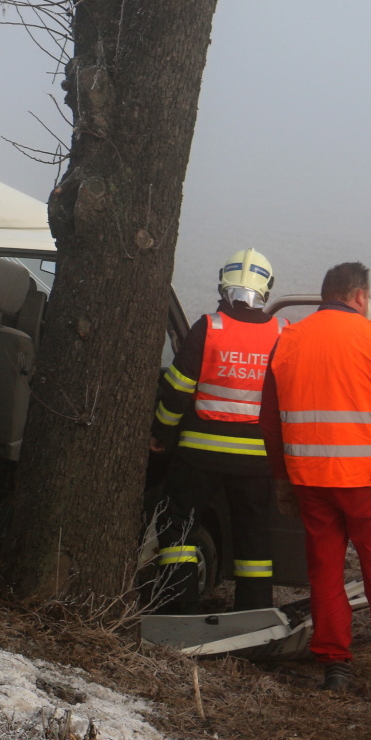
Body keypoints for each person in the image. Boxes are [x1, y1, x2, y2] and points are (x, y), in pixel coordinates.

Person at [259, 262, 371, 693]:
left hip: (311, 482)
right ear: (359, 296)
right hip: (367, 484)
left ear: (325, 295)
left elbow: (269, 421)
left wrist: (283, 480)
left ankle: (335, 666)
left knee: (325, 574)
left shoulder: (288, 340)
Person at [151, 249, 286, 612]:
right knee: (254, 539)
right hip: (257, 462)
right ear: (267, 289)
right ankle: (254, 614)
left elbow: (177, 390)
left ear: (223, 286)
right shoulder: (281, 333)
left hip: (199, 456)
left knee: (178, 526)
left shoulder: (209, 327)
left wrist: (161, 434)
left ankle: (177, 606)